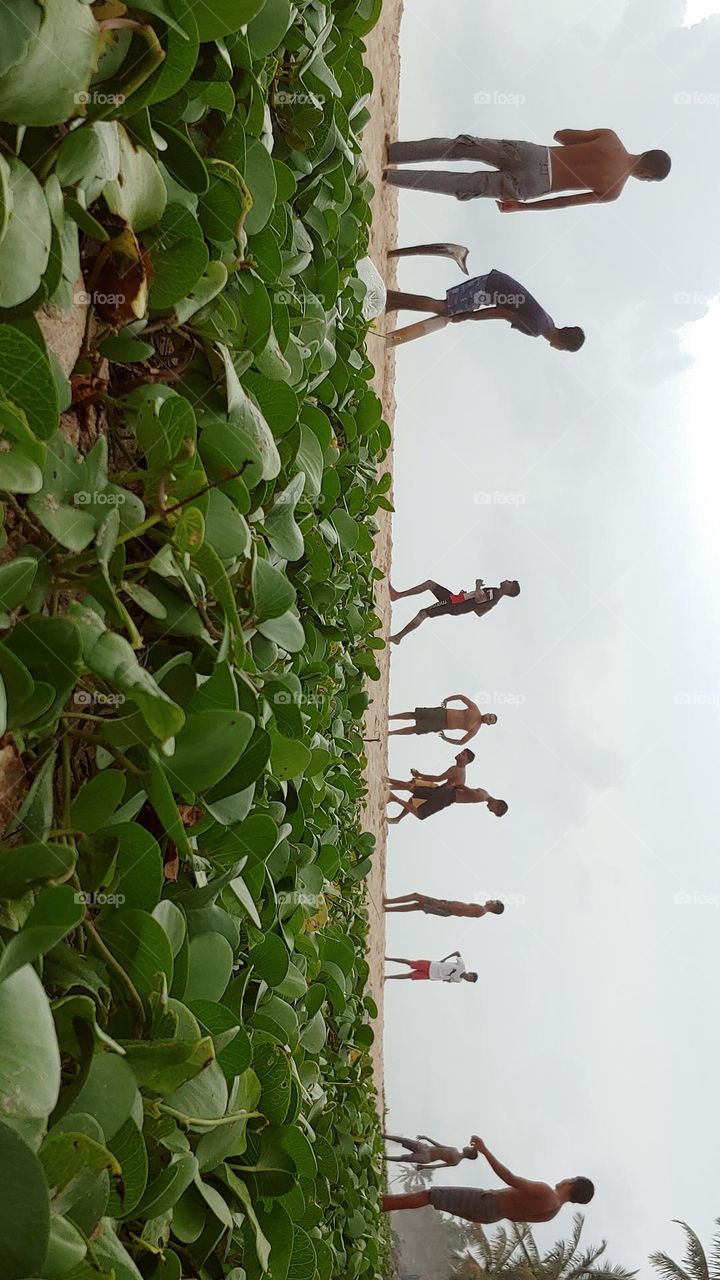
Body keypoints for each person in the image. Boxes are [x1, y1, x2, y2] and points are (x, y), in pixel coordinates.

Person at [383, 129, 671, 208]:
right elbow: (563, 202)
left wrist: (576, 147)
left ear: (646, 153)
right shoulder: (613, 191)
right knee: (462, 184)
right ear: (647, 174)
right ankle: (392, 176)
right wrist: (523, 208)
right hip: (537, 186)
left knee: (465, 147)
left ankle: (396, 152)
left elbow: (561, 135)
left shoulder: (610, 138)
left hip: (536, 155)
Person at [382, 1136, 595, 1225]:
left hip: (487, 1202)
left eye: (570, 1178)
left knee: (430, 1196)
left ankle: (382, 1203)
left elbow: (509, 1178)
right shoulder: (551, 1214)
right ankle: (384, 1204)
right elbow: (515, 1218)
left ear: (572, 1183)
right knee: (437, 1200)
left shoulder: (547, 1192)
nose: (565, 1179)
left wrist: (485, 1151)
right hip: (490, 1216)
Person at [384, 271, 584, 352]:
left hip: (495, 284)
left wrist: (470, 314)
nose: (560, 349)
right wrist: (470, 316)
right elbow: (503, 312)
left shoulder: (547, 321)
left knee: (446, 308)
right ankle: (390, 299)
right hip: (490, 289)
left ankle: (393, 301)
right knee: (445, 308)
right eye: (564, 349)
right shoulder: (537, 328)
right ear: (562, 344)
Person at [389, 578, 520, 646]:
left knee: (423, 613)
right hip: (456, 601)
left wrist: (477, 585)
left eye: (509, 582)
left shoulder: (495, 593)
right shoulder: (495, 600)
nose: (506, 580)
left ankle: (398, 637)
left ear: (510, 589)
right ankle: (397, 596)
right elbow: (479, 612)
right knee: (430, 584)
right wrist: (466, 597)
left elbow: (479, 599)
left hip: (454, 604)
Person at [389, 695, 496, 743]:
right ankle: (390, 717)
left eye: (490, 720)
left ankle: (391, 733)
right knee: (415, 715)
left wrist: (446, 738)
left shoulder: (475, 729)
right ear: (488, 713)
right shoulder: (475, 709)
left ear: (488, 724)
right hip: (442, 712)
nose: (488, 718)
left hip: (442, 725)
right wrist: (447, 700)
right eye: (489, 716)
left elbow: (462, 742)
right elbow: (462, 697)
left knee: (415, 729)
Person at [387, 785, 508, 824]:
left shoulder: (485, 793)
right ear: (498, 805)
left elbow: (464, 789)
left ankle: (390, 788)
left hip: (447, 792)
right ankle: (394, 798)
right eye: (494, 811)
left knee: (416, 791)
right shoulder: (482, 797)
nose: (490, 811)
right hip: (448, 797)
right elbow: (464, 788)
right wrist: (453, 787)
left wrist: (448, 787)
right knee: (420, 814)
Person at [387, 748, 475, 793]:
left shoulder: (457, 770)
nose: (459, 754)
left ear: (467, 761)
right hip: (440, 792)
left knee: (415, 785)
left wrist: (419, 774)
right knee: (415, 784)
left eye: (463, 754)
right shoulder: (458, 769)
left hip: (440, 795)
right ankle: (389, 787)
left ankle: (388, 782)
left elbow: (438, 779)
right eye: (461, 752)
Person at [384, 1134, 480, 1168]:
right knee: (404, 1140)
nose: (468, 1147)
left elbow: (439, 1166)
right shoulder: (454, 1149)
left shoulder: (456, 1161)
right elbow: (439, 1145)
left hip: (427, 1157)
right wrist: (426, 1138)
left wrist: (424, 1167)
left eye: (470, 1148)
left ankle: (383, 1157)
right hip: (426, 1148)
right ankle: (383, 1136)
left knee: (404, 1158)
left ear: (469, 1153)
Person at [384, 893, 505, 919]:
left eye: (494, 901)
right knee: (417, 905)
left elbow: (460, 910)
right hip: (446, 907)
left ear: (495, 907)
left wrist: (442, 905)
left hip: (445, 908)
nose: (492, 900)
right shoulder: (481, 910)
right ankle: (388, 907)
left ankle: (388, 902)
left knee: (416, 897)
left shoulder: (480, 910)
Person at [385, 951, 478, 984]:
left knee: (409, 976)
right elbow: (457, 953)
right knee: (410, 963)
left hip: (431, 976)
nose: (468, 978)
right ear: (470, 973)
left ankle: (387, 977)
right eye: (470, 977)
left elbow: (449, 980)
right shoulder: (462, 966)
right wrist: (444, 959)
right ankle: (388, 958)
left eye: (470, 980)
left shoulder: (458, 980)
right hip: (432, 965)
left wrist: (447, 980)